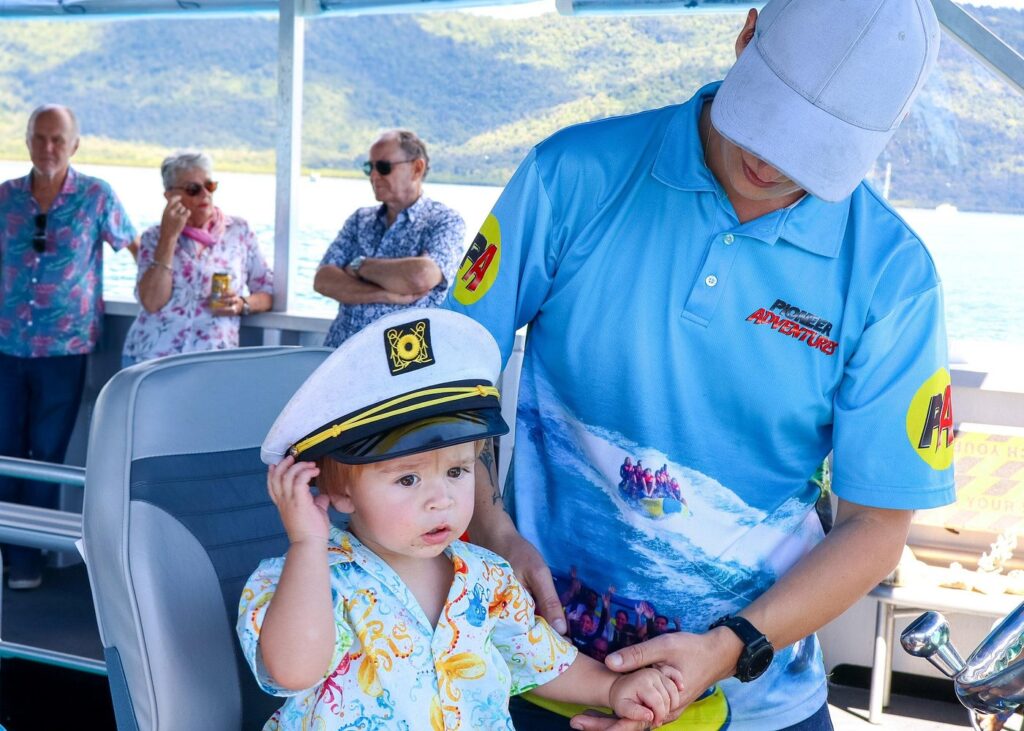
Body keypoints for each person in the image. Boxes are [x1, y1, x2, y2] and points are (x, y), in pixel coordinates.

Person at [445, 1, 953, 729]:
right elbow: (444, 381)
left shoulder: (894, 276)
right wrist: (492, 530)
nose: (771, 162)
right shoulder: (572, 174)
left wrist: (732, 645)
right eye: (769, 119)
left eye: (816, 149)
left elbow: (875, 524)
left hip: (758, 699)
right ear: (746, 35)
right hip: (535, 666)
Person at [238, 308, 686, 731]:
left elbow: (542, 661)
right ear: (339, 491)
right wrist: (307, 545)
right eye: (408, 479)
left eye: (456, 471)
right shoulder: (309, 580)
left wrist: (612, 687)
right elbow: (295, 671)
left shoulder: (488, 577)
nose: (442, 500)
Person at [0, 104, 137, 590]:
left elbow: (138, 249)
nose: (49, 147)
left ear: (74, 144)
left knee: (46, 455)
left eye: (58, 139)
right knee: (5, 450)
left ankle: (27, 558)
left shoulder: (96, 196)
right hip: (6, 345)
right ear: (27, 141)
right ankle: (11, 551)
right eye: (40, 137)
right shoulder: (5, 197)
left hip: (65, 347)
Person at [313, 130, 465, 347]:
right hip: (340, 356)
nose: (374, 176)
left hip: (402, 369)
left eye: (384, 167)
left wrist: (358, 266)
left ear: (417, 168)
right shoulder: (359, 219)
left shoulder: (445, 221)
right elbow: (323, 280)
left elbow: (422, 276)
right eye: (369, 168)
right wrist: (385, 293)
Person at [121, 151, 273, 365]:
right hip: (153, 358)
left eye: (209, 186)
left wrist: (241, 304)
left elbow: (268, 290)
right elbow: (152, 302)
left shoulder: (238, 231)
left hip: (212, 361)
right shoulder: (154, 237)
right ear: (169, 196)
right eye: (193, 189)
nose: (204, 194)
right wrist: (169, 237)